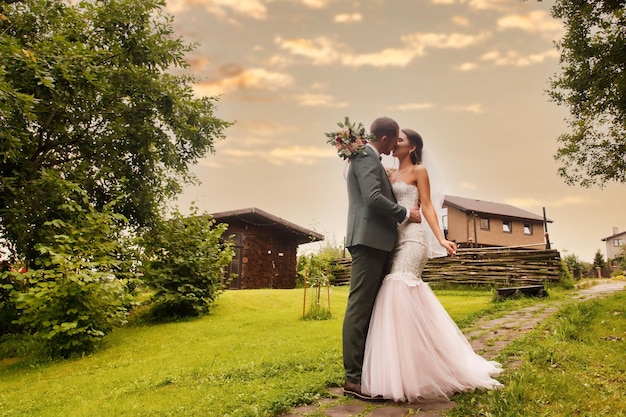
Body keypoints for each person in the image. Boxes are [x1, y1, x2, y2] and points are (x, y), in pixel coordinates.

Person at [361, 128, 503, 402]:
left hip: (414, 240)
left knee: (396, 288)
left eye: (400, 140)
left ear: (412, 147)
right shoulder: (388, 173)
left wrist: (442, 238)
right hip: (393, 240)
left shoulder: (419, 171)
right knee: (402, 299)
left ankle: (414, 372)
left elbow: (426, 206)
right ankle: (408, 367)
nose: (395, 143)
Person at [342, 117, 422, 401]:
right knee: (360, 307)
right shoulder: (364, 155)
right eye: (395, 139)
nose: (393, 147)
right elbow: (373, 198)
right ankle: (353, 379)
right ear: (386, 138)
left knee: (370, 308)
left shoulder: (366, 157)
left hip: (376, 240)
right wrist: (405, 214)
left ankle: (366, 371)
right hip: (368, 239)